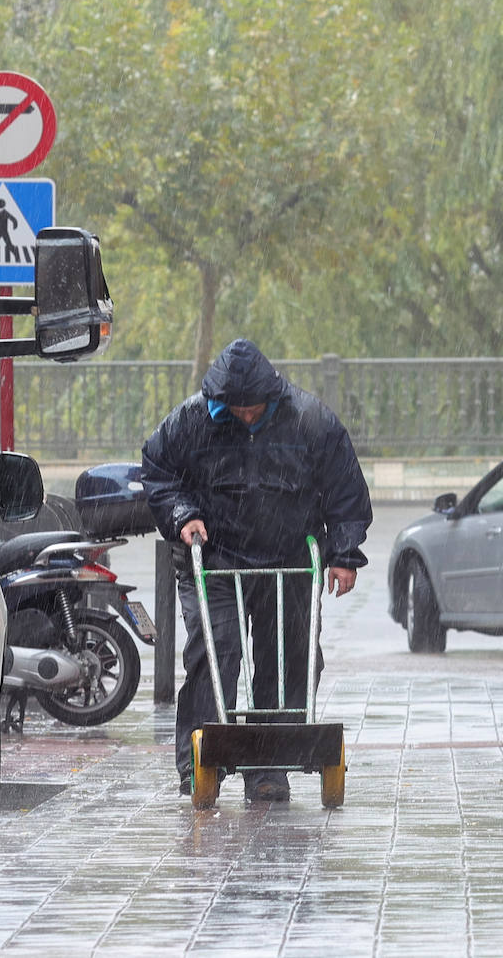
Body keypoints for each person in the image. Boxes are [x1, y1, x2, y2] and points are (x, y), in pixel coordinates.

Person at [141, 339, 372, 802]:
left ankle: (270, 765)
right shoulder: (192, 419)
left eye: (253, 408)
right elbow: (157, 470)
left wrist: (344, 555)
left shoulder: (310, 421)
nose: (245, 416)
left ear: (271, 396)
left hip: (287, 559)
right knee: (215, 652)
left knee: (286, 660)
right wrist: (184, 514)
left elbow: (345, 491)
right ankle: (198, 760)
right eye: (235, 409)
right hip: (217, 559)